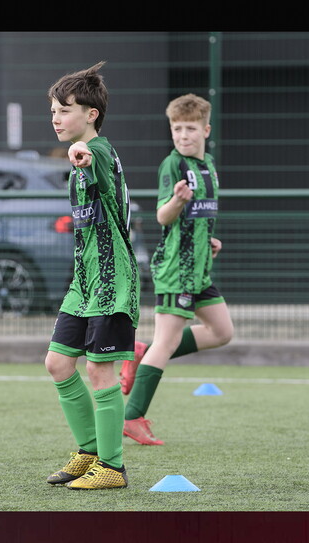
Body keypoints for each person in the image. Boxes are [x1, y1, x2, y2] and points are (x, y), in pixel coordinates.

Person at [43, 61, 139, 489]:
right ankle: (88, 452)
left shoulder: (97, 153)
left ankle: (113, 468)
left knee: (101, 372)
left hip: (113, 284)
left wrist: (78, 153)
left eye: (65, 110)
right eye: (53, 111)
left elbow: (91, 156)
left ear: (91, 115)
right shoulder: (78, 166)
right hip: (84, 284)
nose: (56, 118)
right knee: (59, 364)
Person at [119, 93, 234, 446]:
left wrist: (210, 241)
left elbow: (203, 216)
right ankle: (132, 417)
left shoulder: (209, 165)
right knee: (167, 342)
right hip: (176, 269)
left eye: (190, 129)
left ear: (205, 130)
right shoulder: (173, 166)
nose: (183, 136)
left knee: (222, 332)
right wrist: (177, 200)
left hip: (199, 268)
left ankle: (143, 352)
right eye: (176, 129)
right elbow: (162, 216)